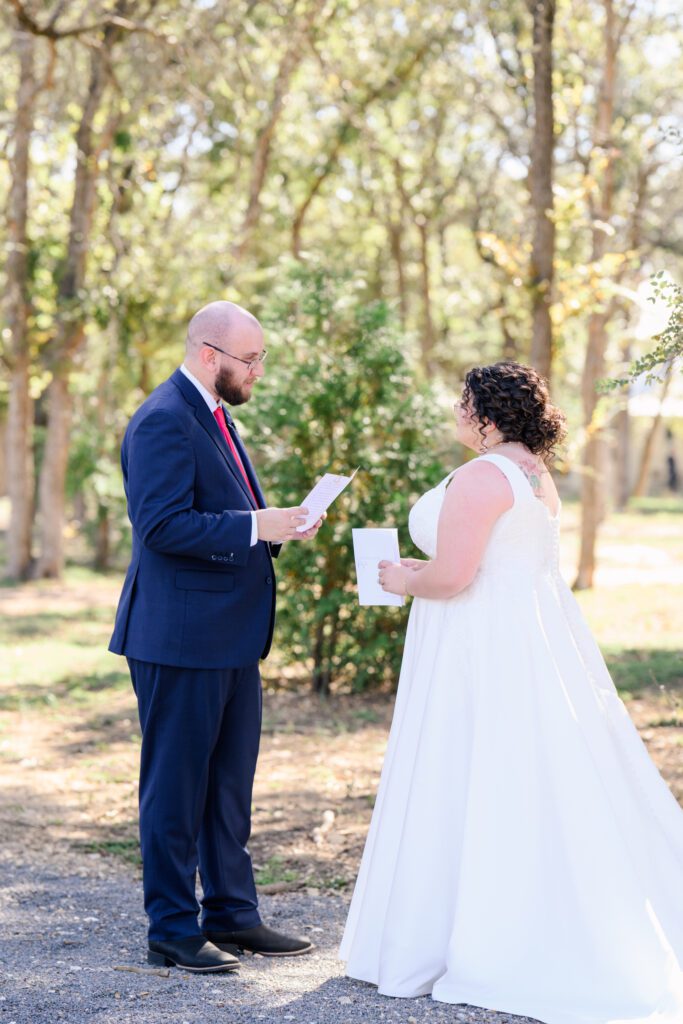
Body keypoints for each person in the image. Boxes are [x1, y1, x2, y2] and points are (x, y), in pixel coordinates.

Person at [340, 361, 683, 1023]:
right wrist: (425, 571)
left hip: (475, 650)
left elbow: (452, 579)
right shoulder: (535, 475)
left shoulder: (480, 476)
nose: (456, 414)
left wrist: (399, 576)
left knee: (465, 774)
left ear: (484, 412)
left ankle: (472, 938)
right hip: (519, 642)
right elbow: (493, 565)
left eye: (461, 403)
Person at [110, 301, 323, 973]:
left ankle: (232, 915)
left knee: (228, 787)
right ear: (210, 355)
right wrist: (255, 527)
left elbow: (226, 512)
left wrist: (275, 523)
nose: (257, 371)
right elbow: (162, 526)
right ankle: (171, 929)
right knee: (175, 790)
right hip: (178, 638)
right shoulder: (163, 420)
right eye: (250, 360)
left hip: (230, 637)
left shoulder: (214, 416)